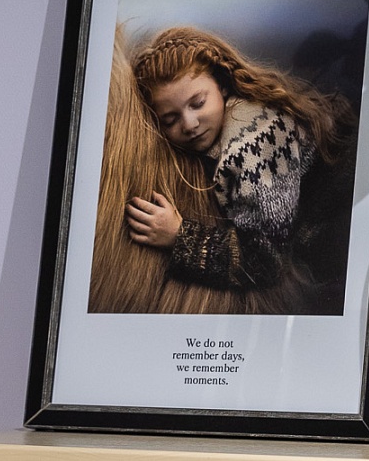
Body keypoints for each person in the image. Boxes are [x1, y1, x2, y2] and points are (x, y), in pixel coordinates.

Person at [124, 26, 356, 311]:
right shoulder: (228, 122)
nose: (189, 124)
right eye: (170, 120)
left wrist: (180, 236)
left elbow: (266, 261)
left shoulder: (250, 145)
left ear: (222, 84)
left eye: (198, 103)